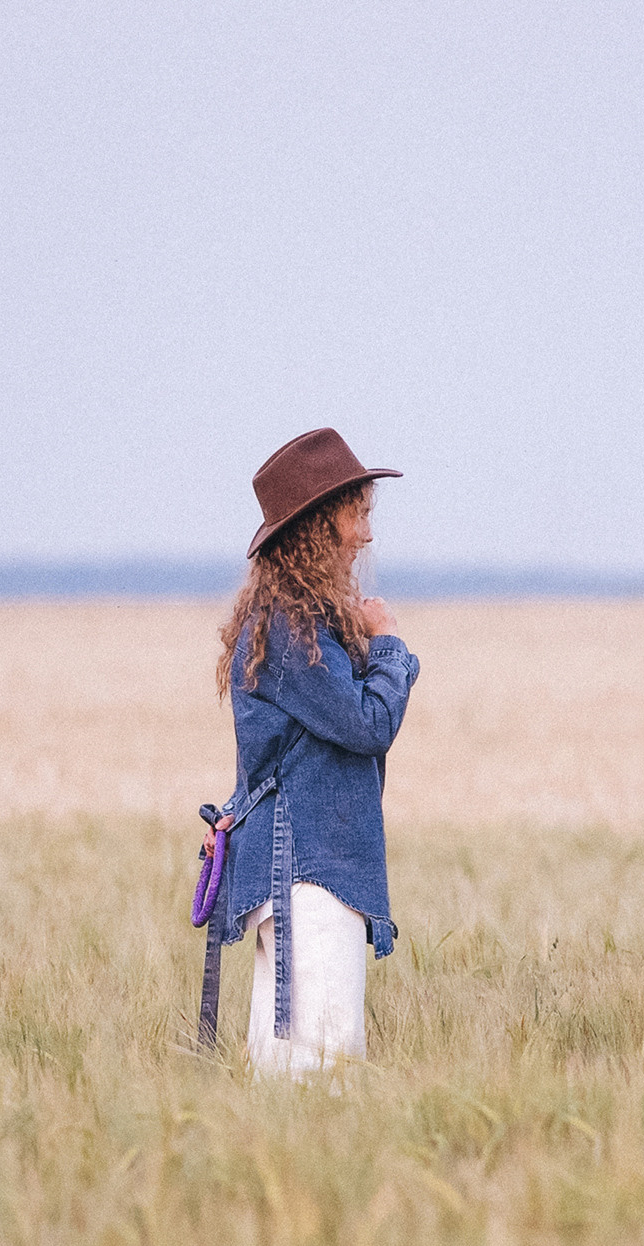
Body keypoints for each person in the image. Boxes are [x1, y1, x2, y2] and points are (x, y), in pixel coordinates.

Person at [204, 428, 420, 1075]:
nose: (367, 534)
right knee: (322, 1072)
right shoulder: (291, 627)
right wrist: (387, 646)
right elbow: (368, 724)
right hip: (308, 877)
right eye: (359, 514)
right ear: (322, 523)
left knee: (289, 1073)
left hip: (295, 873)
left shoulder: (292, 623)